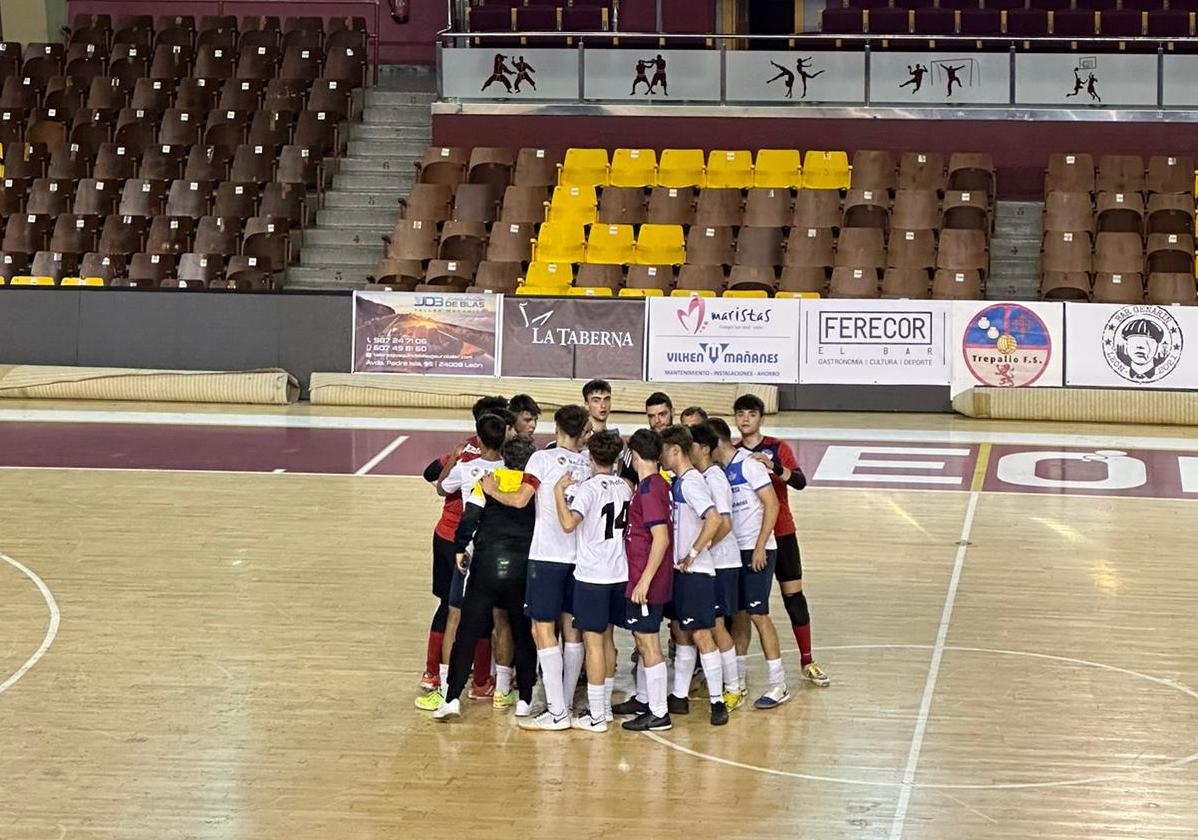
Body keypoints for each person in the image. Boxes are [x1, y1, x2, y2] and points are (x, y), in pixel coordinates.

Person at [482, 405, 592, 732]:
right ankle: (568, 706)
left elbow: (520, 499)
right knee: (573, 631)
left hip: (547, 557)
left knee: (542, 629)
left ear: (558, 426)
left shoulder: (541, 460)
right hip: (580, 560)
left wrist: (492, 490)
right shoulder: (588, 463)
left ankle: (557, 712)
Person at [434, 436, 540, 722]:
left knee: (467, 633)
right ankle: (525, 700)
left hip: (487, 566)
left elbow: (470, 517)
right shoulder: (535, 485)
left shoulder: (488, 480)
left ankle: (452, 697)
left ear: (505, 458)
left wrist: (459, 547)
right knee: (522, 633)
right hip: (520, 567)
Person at [416, 411, 511, 711]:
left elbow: (441, 488)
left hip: (469, 553)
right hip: (500, 554)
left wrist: (455, 463)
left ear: (479, 439)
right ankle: (499, 688)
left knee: (455, 616)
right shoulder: (511, 469)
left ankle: (446, 690)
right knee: (500, 618)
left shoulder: (468, 467)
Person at [733, 394, 830, 688]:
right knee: (743, 607)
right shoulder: (733, 453)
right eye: (741, 414)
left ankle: (807, 660)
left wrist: (774, 467)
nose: (746, 419)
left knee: (793, 596)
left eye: (751, 414)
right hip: (749, 538)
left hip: (782, 532)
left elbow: (799, 482)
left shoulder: (777, 447)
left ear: (761, 418)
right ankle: (737, 670)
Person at [552, 431, 632, 733]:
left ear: (590, 457)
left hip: (593, 577)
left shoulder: (587, 490)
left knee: (593, 644)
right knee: (608, 641)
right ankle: (605, 708)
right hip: (619, 573)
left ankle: (597, 715)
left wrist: (558, 494)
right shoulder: (626, 487)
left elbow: (568, 523)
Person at [710, 418, 789, 709]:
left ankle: (779, 683)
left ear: (716, 443)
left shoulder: (748, 464)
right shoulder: (720, 470)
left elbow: (772, 504)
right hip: (736, 552)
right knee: (741, 614)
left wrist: (760, 546)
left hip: (758, 549)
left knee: (758, 614)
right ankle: (739, 680)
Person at [659, 425, 730, 726]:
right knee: (681, 632)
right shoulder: (678, 482)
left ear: (675, 450)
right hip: (680, 572)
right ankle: (679, 696)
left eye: (663, 451)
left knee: (701, 634)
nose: (660, 456)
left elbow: (714, 519)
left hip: (696, 573)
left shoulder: (691, 483)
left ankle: (717, 702)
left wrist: (694, 552)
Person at [612, 430, 676, 731]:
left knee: (649, 643)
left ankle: (659, 712)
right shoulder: (655, 485)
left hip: (647, 580)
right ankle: (644, 698)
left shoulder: (650, 490)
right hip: (645, 577)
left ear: (634, 455)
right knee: (642, 639)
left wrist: (644, 582)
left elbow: (660, 538)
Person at [688, 421, 745, 713]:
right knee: (712, 624)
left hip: (722, 563)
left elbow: (724, 522)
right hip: (713, 562)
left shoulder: (714, 478)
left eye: (692, 446)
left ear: (705, 449)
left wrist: (700, 549)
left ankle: (734, 687)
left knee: (718, 625)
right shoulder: (702, 476)